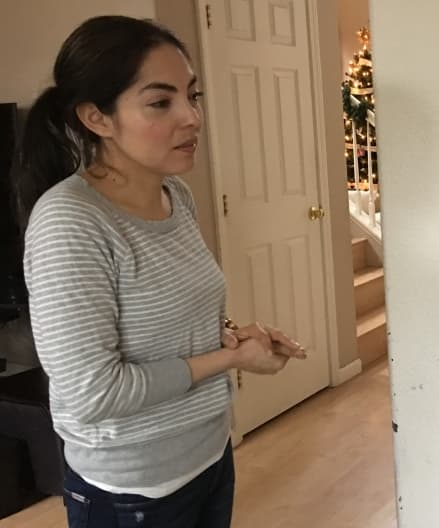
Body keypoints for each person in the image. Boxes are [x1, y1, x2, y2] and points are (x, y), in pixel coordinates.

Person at [14, 16, 306, 528]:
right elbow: (93, 392)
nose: (191, 117)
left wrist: (236, 338)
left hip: (208, 454)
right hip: (132, 490)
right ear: (96, 117)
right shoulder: (70, 223)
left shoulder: (176, 197)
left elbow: (165, 324)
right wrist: (228, 360)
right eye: (160, 102)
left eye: (193, 96)